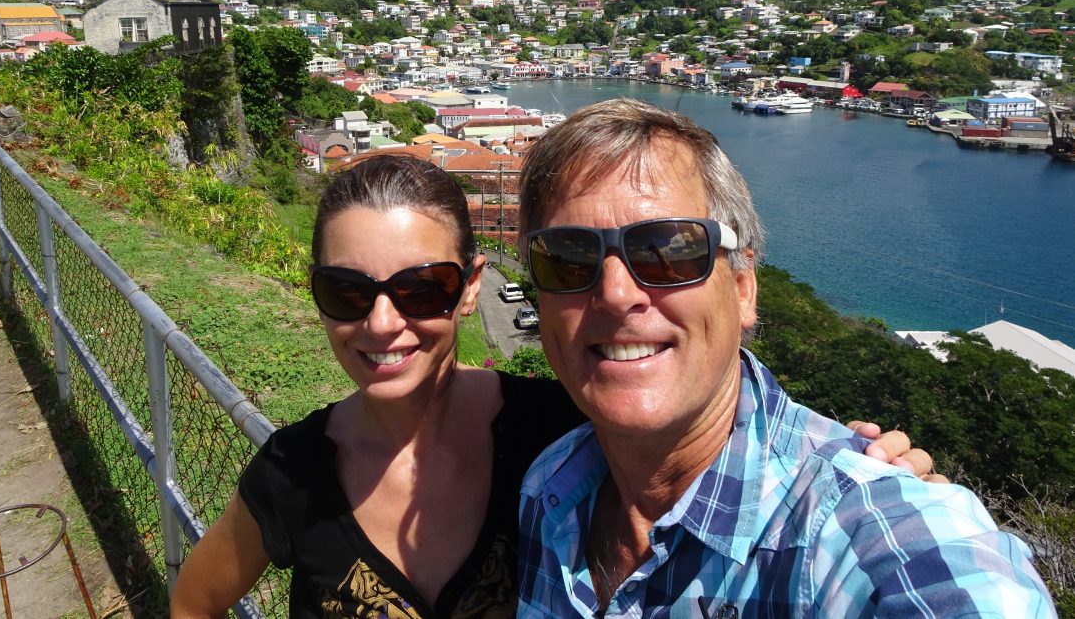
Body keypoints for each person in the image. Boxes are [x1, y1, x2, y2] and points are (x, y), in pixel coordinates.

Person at [170, 154, 939, 619]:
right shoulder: (294, 471)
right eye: (346, 291)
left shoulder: (561, 436)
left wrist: (863, 467)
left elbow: (702, 431)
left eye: (421, 288)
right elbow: (193, 604)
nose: (380, 324)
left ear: (471, 288)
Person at [513, 98, 1056, 617]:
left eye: (668, 250)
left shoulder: (862, 530)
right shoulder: (549, 490)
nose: (615, 293)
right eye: (567, 258)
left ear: (743, 287)